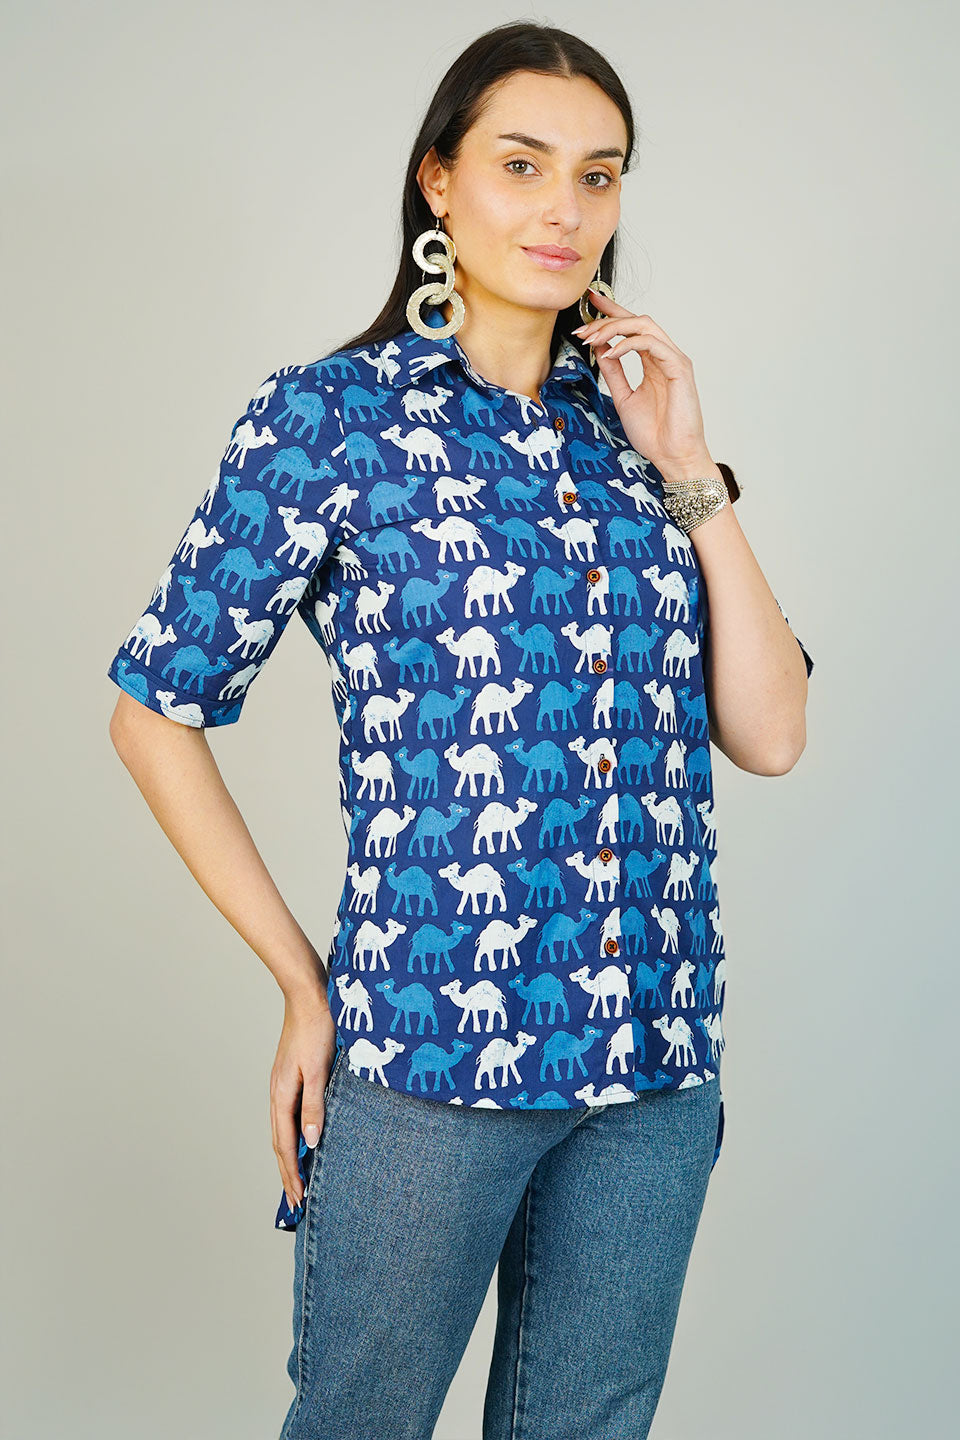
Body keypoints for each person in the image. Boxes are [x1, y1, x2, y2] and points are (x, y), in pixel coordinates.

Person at [106, 21, 814, 1440]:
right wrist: (306, 985)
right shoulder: (330, 421)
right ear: (438, 180)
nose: (565, 209)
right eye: (522, 164)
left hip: (654, 1060)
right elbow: (152, 714)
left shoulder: (636, 436)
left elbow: (771, 731)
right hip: (436, 1061)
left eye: (599, 175)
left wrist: (690, 467)